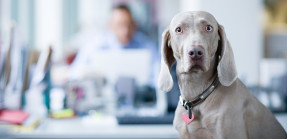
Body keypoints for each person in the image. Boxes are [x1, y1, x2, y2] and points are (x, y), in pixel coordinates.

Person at [69, 4, 159, 87]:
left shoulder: (146, 45)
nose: (125, 31)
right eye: (120, 25)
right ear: (110, 25)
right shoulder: (96, 45)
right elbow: (74, 73)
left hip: (142, 99)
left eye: (129, 25)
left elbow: (158, 75)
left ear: (134, 24)